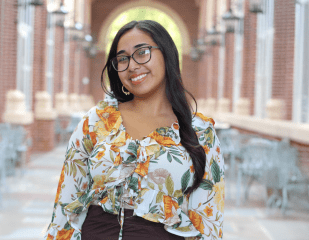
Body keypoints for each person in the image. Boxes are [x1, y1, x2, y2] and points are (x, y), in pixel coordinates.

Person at [45, 20, 224, 240]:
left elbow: (208, 222)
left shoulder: (201, 132)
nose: (132, 66)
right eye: (122, 58)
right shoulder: (96, 121)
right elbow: (65, 207)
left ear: (166, 54)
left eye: (142, 52)